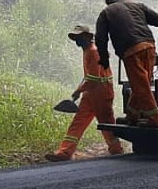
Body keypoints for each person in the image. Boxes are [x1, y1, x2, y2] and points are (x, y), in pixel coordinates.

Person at [96, 0, 158, 128]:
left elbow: (100, 39)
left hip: (131, 50)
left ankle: (155, 118)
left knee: (141, 85)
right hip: (149, 46)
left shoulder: (106, 12)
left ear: (109, 1)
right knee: (142, 83)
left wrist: (104, 59)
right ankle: (132, 115)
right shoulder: (138, 6)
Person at [45, 25, 123, 162]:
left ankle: (117, 151)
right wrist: (80, 90)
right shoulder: (88, 50)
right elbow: (89, 76)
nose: (77, 41)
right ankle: (64, 153)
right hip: (91, 94)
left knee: (107, 124)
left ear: (87, 37)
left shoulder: (93, 52)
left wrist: (78, 90)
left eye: (79, 37)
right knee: (78, 122)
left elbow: (94, 78)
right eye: (76, 38)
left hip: (101, 94)